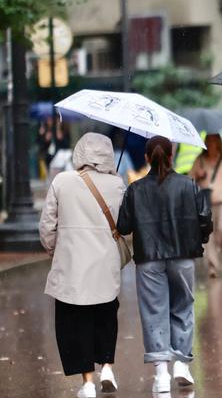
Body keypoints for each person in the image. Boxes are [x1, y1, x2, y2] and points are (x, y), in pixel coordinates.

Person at [116, 136, 212, 394]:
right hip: (183, 256)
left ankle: (161, 374)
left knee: (154, 311)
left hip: (148, 258)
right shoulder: (188, 185)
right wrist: (198, 240)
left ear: (147, 158)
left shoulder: (135, 190)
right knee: (182, 306)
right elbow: (205, 219)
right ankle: (182, 364)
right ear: (171, 156)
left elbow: (123, 226)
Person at [39, 133, 127, 398]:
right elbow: (125, 227)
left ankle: (88, 383)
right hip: (104, 265)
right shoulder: (117, 184)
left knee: (75, 324)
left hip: (72, 266)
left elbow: (47, 226)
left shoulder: (62, 181)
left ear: (79, 152)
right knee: (105, 317)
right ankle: (108, 367)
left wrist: (56, 251)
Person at [190, 134, 222, 277]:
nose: (212, 144)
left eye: (214, 142)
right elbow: (190, 179)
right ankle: (213, 266)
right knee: (209, 236)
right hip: (206, 203)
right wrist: (198, 175)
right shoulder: (200, 160)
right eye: (209, 142)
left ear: (219, 143)